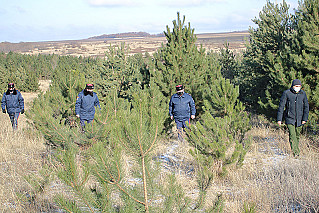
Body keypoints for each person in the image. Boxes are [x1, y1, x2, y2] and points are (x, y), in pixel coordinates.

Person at [277, 79, 309, 157]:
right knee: (292, 135)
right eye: (296, 86)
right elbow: (281, 106)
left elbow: (306, 107)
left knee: (297, 136)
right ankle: (296, 153)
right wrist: (279, 119)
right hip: (289, 118)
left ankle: (296, 150)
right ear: (293, 86)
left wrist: (304, 118)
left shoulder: (302, 94)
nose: (298, 87)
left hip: (300, 119)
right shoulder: (287, 93)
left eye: (299, 86)